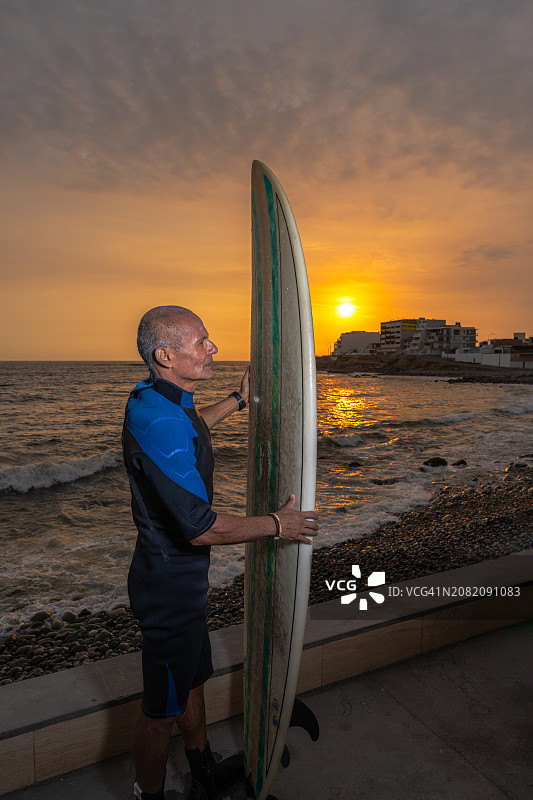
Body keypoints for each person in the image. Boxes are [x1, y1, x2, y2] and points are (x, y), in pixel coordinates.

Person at [123, 305, 319, 800]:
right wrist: (278, 524)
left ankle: (202, 771)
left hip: (183, 581)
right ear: (166, 354)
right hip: (167, 585)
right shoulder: (159, 419)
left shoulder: (160, 398)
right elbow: (199, 528)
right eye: (202, 341)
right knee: (159, 712)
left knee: (194, 679)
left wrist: (239, 399)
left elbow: (193, 430)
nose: (213, 349)